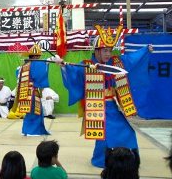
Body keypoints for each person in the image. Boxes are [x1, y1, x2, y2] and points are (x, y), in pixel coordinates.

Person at [58, 24, 153, 168]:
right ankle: (103, 161)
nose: (108, 54)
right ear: (96, 51)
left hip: (115, 106)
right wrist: (63, 66)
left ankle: (128, 161)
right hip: (98, 107)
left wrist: (145, 50)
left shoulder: (116, 62)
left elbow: (132, 60)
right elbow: (73, 73)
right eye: (105, 50)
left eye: (110, 50)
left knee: (128, 131)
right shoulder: (86, 65)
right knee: (104, 136)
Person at [14, 42, 51, 136]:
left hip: (24, 92)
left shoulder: (23, 66)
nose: (39, 59)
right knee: (35, 111)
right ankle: (32, 131)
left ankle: (26, 130)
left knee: (29, 113)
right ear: (34, 57)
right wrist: (48, 60)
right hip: (32, 93)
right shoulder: (34, 64)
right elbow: (40, 71)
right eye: (38, 57)